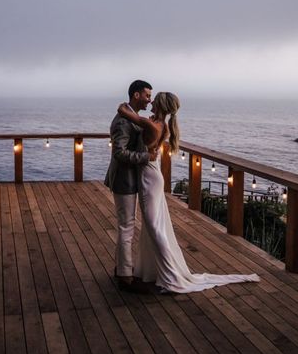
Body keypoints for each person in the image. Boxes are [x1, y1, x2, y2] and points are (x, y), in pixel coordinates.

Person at [117, 92, 259, 293]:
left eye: (153, 99)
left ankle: (170, 277)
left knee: (155, 227)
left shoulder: (152, 125)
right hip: (151, 175)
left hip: (149, 178)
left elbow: (123, 111)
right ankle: (154, 271)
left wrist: (125, 105)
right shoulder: (162, 125)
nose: (151, 101)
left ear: (160, 105)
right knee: (155, 226)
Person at [105, 80, 157, 292]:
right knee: (126, 227)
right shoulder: (122, 122)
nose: (149, 99)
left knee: (127, 226)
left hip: (131, 179)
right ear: (136, 95)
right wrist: (146, 156)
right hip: (123, 180)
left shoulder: (130, 117)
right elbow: (119, 152)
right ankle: (125, 276)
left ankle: (122, 268)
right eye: (147, 95)